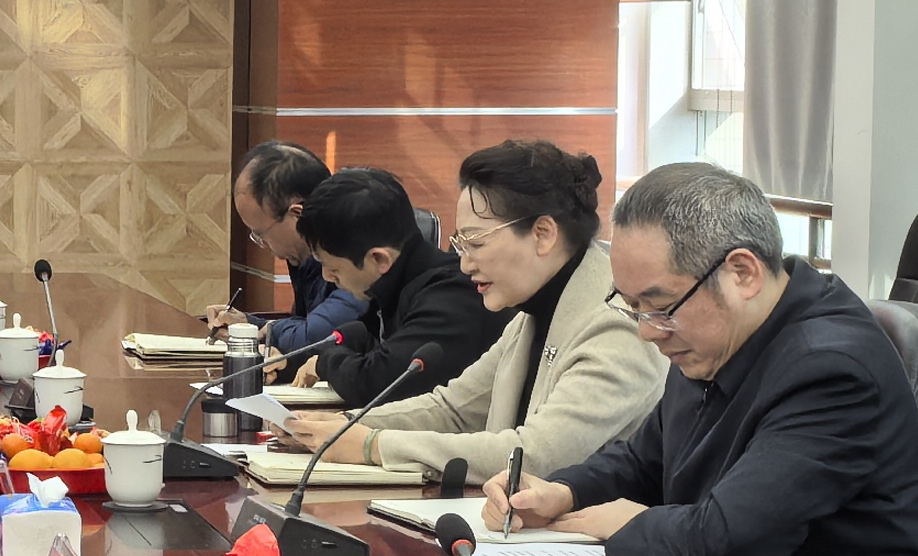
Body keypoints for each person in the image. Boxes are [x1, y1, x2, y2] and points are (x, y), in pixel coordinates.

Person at [489, 162, 918, 556]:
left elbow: (732, 538)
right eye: (634, 306)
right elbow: (645, 459)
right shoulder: (711, 335)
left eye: (659, 305)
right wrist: (563, 491)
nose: (648, 331)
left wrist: (623, 524)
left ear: (742, 273)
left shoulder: (830, 367)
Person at [282, 139, 664, 483]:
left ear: (543, 233)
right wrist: (343, 426)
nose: (464, 265)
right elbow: (454, 409)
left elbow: (534, 456)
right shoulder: (533, 311)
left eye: (475, 243)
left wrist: (372, 445)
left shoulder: (616, 326)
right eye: (460, 244)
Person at [288, 168, 487, 406]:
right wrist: (289, 363)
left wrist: (325, 363)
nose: (327, 277)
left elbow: (377, 383)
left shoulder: (451, 296)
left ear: (379, 259)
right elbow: (359, 343)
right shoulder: (394, 288)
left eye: (334, 268)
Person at [203, 141, 364, 361]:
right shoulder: (305, 257)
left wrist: (269, 331)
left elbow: (318, 338)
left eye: (261, 233)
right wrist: (248, 325)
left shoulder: (354, 249)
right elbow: (304, 325)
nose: (263, 245)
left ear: (297, 214)